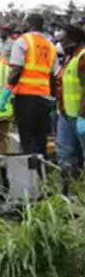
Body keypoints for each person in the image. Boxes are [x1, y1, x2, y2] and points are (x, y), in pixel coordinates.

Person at [0, 13, 58, 157]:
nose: (22, 25)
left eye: (24, 23)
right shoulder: (50, 46)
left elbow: (16, 70)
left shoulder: (22, 41)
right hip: (44, 97)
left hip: (26, 97)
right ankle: (41, 172)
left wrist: (6, 92)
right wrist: (53, 98)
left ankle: (31, 175)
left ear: (29, 24)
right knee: (40, 139)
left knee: (27, 138)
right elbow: (52, 75)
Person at [55, 25, 85, 175]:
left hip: (80, 115)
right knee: (65, 153)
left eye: (65, 39)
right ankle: (68, 189)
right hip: (65, 113)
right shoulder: (69, 57)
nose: (62, 42)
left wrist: (82, 115)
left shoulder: (82, 57)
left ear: (74, 39)